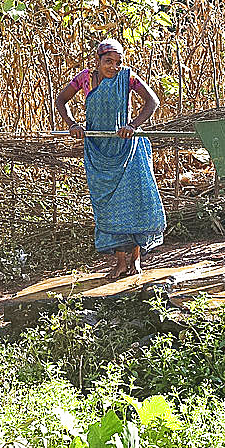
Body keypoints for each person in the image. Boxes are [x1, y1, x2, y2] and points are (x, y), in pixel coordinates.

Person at [55, 38, 165, 279]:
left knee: (134, 202)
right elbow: (61, 100)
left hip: (128, 149)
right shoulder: (84, 79)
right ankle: (120, 262)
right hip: (98, 151)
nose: (113, 67)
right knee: (108, 207)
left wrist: (133, 125)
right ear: (98, 61)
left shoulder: (128, 77)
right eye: (108, 61)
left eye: (118, 62)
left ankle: (136, 260)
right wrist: (73, 124)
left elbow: (152, 101)